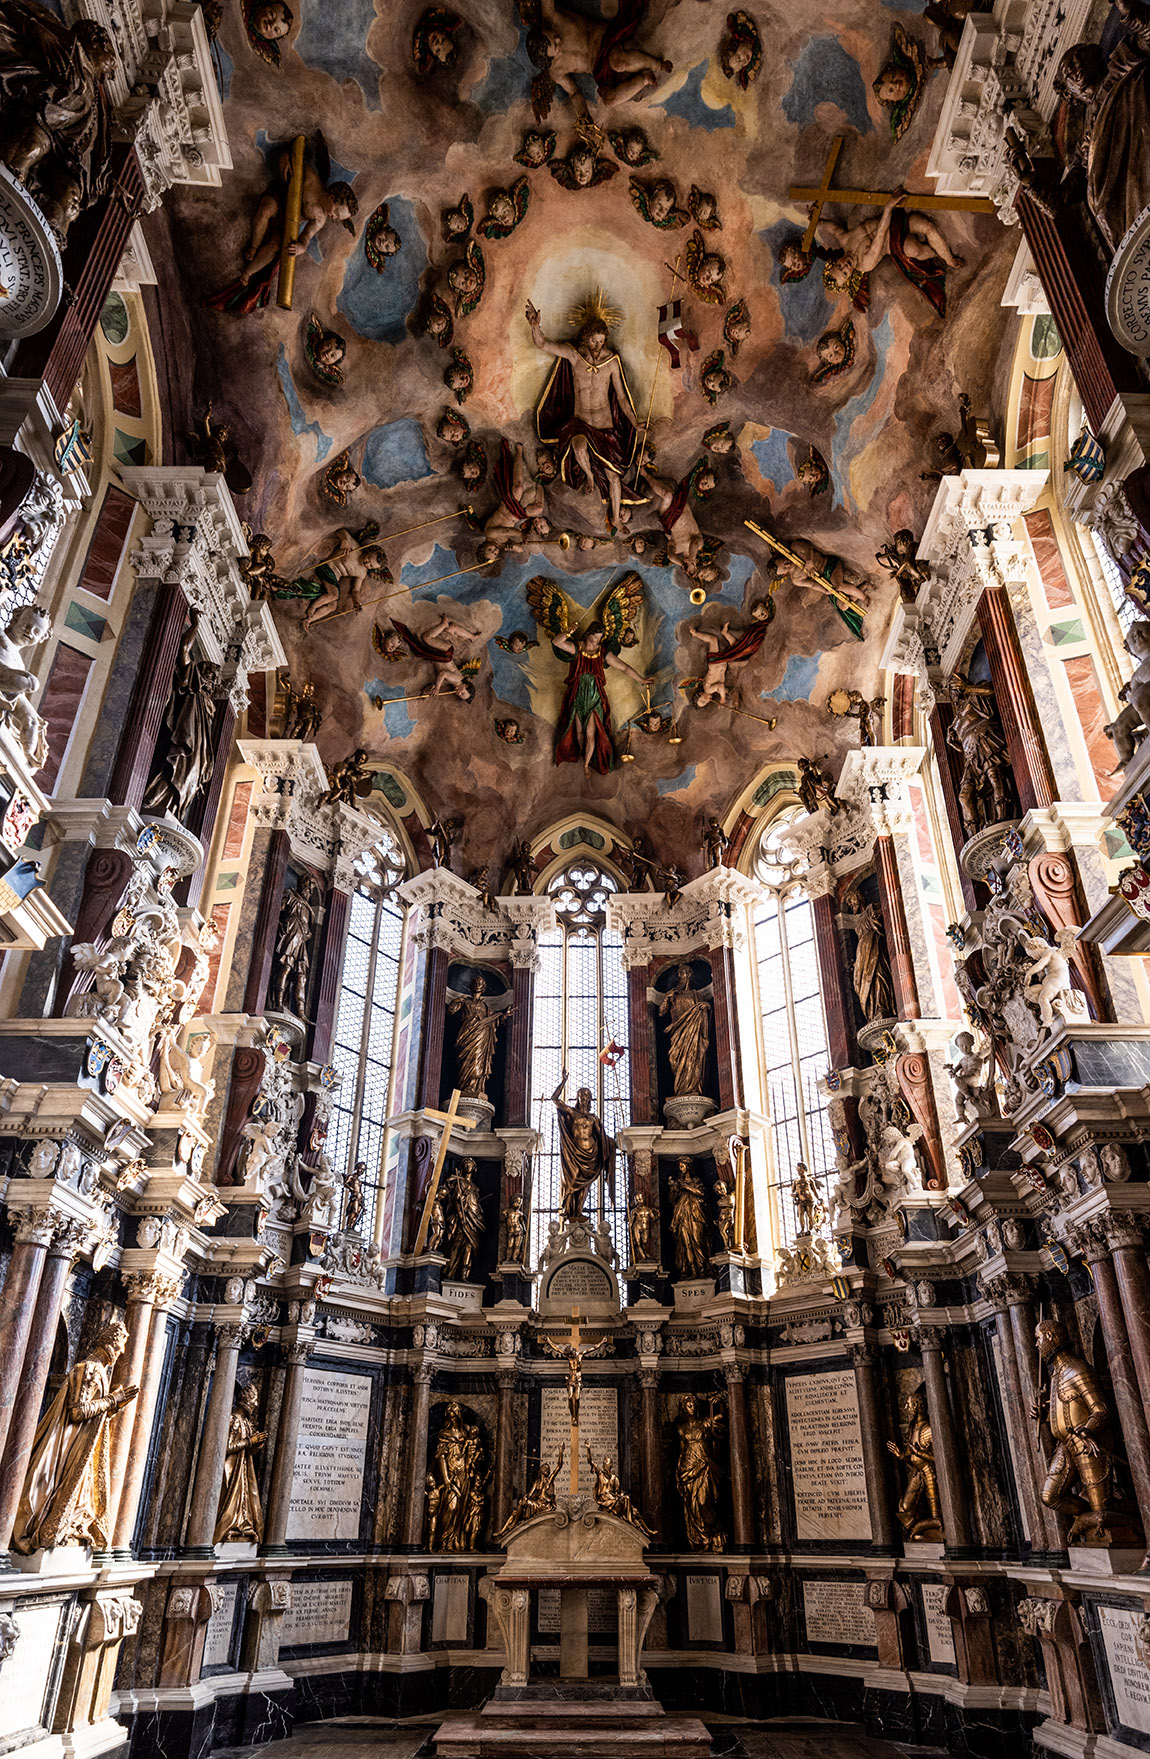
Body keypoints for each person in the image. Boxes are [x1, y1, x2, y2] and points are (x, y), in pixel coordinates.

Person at [12, 1320, 138, 1553]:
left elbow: (93, 1414)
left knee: (81, 1499)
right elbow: (78, 1412)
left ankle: (68, 1530)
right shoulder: (89, 1369)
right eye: (121, 1345)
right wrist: (112, 1400)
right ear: (112, 1343)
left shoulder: (99, 1372)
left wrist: (115, 1405)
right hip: (66, 1444)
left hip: (82, 1445)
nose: (122, 1351)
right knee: (49, 1489)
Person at [528, 299, 639, 533]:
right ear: (586, 337)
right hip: (580, 425)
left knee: (614, 478)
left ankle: (616, 519)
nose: (598, 345)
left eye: (602, 341)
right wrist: (535, 326)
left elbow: (621, 398)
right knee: (578, 447)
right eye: (594, 340)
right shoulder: (574, 356)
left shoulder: (612, 362)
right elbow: (542, 344)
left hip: (605, 428)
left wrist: (635, 423)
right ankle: (589, 476)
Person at [552, 618, 645, 774]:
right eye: (595, 637)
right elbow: (557, 642)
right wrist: (568, 632)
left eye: (599, 638)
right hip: (577, 698)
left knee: (591, 735)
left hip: (594, 700)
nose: (597, 641)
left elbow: (624, 668)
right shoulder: (577, 648)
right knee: (579, 733)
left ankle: (586, 765)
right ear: (589, 634)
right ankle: (583, 754)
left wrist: (641, 680)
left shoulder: (602, 653)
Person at [550, 1071, 614, 1218]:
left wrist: (611, 1144)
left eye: (586, 1095)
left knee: (585, 1186)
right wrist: (563, 1081)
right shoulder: (572, 1113)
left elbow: (601, 1137)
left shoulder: (593, 1118)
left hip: (591, 1155)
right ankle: (569, 1211)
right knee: (572, 1181)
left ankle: (578, 1212)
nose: (584, 1097)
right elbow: (554, 1099)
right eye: (581, 1095)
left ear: (590, 1098)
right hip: (574, 1154)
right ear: (577, 1097)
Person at [658, 963, 711, 1096]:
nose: (684, 975)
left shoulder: (697, 995)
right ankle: (681, 1090)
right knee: (674, 1058)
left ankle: (695, 1089)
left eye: (687, 972)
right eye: (681, 973)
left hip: (695, 1034)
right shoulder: (674, 995)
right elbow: (661, 1012)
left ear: (690, 975)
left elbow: (705, 1015)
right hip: (678, 1033)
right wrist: (666, 998)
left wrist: (705, 1007)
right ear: (678, 976)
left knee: (695, 1058)